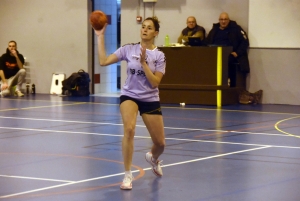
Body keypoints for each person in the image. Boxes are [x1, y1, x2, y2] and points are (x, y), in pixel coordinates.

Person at [94, 16, 166, 190]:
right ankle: (127, 175)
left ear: (155, 33)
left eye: (149, 28)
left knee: (160, 144)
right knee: (129, 129)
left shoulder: (159, 56)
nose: (145, 30)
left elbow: (155, 82)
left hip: (150, 98)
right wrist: (100, 36)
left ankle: (153, 158)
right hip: (130, 95)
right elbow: (103, 61)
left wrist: (143, 63)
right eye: (143, 26)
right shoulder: (129, 49)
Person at [206, 12, 250, 87]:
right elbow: (207, 42)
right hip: (215, 54)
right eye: (221, 19)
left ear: (229, 20)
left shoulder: (236, 29)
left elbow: (245, 42)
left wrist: (237, 52)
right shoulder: (214, 30)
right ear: (219, 20)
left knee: (226, 61)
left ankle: (227, 83)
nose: (223, 21)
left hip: (231, 55)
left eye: (225, 19)